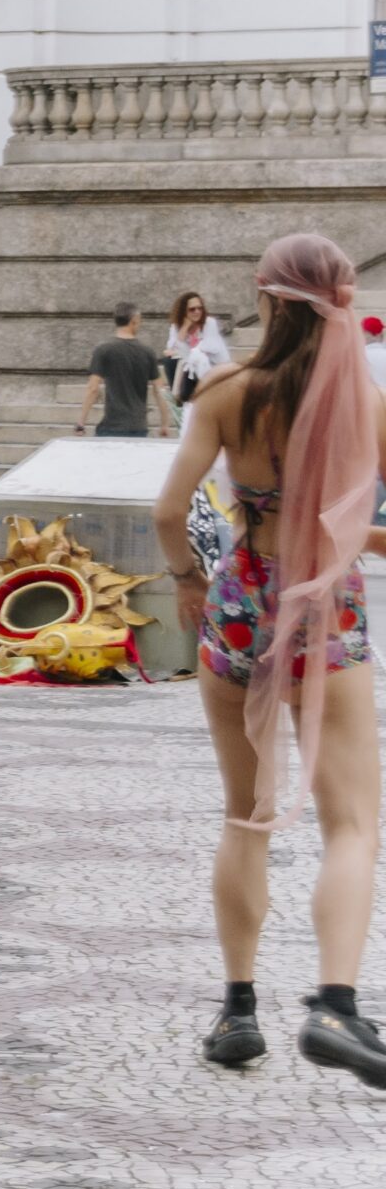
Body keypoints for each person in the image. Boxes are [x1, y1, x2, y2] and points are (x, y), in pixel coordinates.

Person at [154, 234, 386, 1085]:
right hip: (328, 610)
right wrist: (346, 538)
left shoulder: (226, 392)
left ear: (265, 300)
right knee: (354, 823)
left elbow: (170, 509)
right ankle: (337, 1005)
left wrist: (186, 584)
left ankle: (238, 1010)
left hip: (240, 605)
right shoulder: (367, 403)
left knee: (245, 812)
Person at [78, 301, 172, 437]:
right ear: (134, 321)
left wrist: (81, 422)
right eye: (139, 321)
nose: (140, 324)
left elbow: (93, 388)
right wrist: (164, 423)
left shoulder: (103, 350)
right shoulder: (147, 352)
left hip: (111, 426)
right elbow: (159, 390)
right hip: (138, 426)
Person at [164, 291, 232, 409]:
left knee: (196, 358)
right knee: (169, 361)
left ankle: (185, 397)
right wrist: (185, 327)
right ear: (183, 311)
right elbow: (171, 349)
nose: (197, 312)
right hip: (192, 366)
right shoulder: (177, 326)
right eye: (192, 309)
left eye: (200, 308)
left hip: (212, 365)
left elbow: (209, 347)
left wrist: (185, 350)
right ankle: (179, 398)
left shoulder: (209, 323)